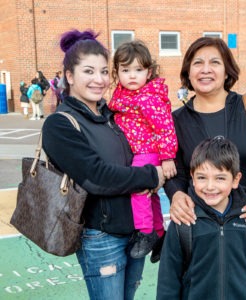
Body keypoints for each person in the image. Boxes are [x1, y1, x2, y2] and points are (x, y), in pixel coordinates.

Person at [42, 29, 165, 300]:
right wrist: (151, 176)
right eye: (88, 72)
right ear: (70, 76)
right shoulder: (60, 124)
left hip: (134, 231)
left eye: (103, 72)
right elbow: (97, 177)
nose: (99, 80)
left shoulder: (113, 115)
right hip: (101, 237)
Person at [165, 37, 246, 228]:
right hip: (198, 223)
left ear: (227, 72)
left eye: (215, 62)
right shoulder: (175, 120)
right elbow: (174, 171)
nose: (205, 69)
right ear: (188, 73)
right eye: (198, 63)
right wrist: (176, 194)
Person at [157, 137, 246, 300]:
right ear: (192, 177)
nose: (210, 186)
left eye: (220, 178)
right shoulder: (183, 220)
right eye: (202, 177)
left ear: (235, 180)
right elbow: (168, 281)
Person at [108, 40, 178, 260]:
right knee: (151, 196)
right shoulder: (123, 96)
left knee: (137, 189)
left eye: (138, 70)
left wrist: (167, 158)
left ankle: (145, 232)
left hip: (148, 152)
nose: (131, 76)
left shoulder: (148, 98)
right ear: (117, 72)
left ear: (148, 72)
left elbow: (166, 127)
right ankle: (159, 233)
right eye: (125, 70)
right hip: (138, 152)